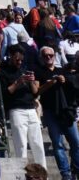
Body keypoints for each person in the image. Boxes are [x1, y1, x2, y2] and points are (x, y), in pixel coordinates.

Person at [34, 45, 79, 180]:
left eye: (51, 55)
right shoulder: (39, 71)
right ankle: (66, 174)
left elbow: (73, 86)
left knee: (76, 143)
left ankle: (76, 169)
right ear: (41, 57)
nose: (48, 57)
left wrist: (65, 80)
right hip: (50, 112)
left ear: (55, 56)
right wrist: (49, 83)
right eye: (45, 55)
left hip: (65, 111)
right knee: (57, 144)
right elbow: (36, 92)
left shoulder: (62, 70)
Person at [0, 45, 46, 169]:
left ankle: (42, 173)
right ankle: (22, 173)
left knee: (38, 144)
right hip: (16, 110)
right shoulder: (3, 71)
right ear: (10, 56)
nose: (19, 62)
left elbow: (35, 92)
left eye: (21, 59)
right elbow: (4, 93)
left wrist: (32, 81)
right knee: (21, 145)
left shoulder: (24, 69)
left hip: (31, 108)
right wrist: (18, 83)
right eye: (17, 59)